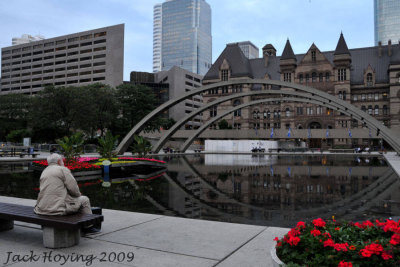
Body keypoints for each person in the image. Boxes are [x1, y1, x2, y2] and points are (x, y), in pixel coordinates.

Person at [34, 153, 100, 234]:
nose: (63, 162)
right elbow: (74, 189)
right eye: (62, 161)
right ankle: (88, 227)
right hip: (57, 210)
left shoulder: (44, 171)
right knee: (84, 200)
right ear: (58, 161)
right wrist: (78, 195)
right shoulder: (62, 169)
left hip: (42, 208)